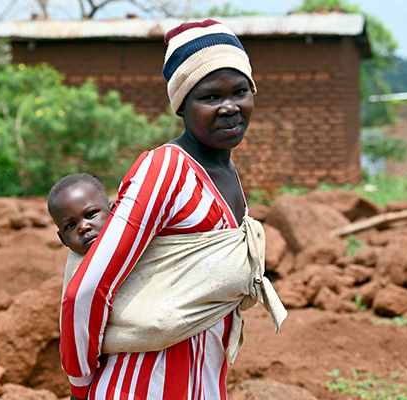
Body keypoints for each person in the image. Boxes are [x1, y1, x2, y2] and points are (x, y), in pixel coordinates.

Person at [59, 19, 285, 400]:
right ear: (181, 106)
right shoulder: (166, 169)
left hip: (203, 384)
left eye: (240, 91)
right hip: (139, 386)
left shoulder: (227, 173)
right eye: (210, 97)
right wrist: (80, 383)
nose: (229, 107)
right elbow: (86, 289)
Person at [47, 173, 112, 255]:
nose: (83, 227)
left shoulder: (127, 241)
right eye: (70, 225)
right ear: (63, 239)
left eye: (91, 214)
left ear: (113, 210)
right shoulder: (78, 263)